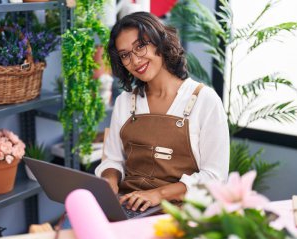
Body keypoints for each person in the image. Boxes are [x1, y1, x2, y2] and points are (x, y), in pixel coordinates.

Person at [95, 12, 229, 212]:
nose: (135, 60)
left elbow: (215, 177)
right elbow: (113, 159)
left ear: (160, 41)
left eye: (140, 46)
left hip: (181, 212)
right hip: (129, 206)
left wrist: (158, 194)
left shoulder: (205, 100)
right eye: (125, 55)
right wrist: (109, 181)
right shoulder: (125, 102)